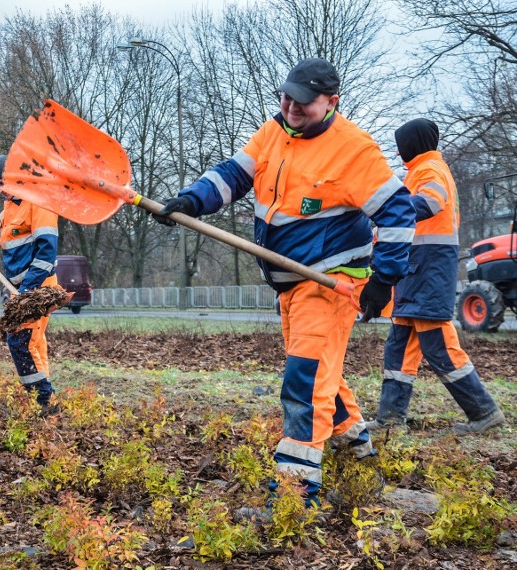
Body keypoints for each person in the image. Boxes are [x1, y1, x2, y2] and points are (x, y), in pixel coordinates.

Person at [152, 58, 416, 509]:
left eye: (304, 101)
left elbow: (398, 211)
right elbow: (234, 175)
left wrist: (384, 279)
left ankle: (295, 495)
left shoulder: (353, 150)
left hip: (330, 283)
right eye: (286, 96)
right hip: (292, 287)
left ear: (332, 102)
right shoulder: (274, 131)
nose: (291, 107)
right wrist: (192, 200)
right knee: (319, 372)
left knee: (304, 380)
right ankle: (359, 453)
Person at [366, 119, 505, 434]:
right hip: (415, 272)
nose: (400, 149)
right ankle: (390, 417)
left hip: (429, 271)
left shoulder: (431, 170)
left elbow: (429, 201)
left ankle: (484, 413)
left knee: (438, 345)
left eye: (402, 143)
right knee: (399, 346)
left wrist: (390, 210)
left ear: (412, 144)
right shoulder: (417, 171)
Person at [0, 154, 60, 411]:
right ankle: (44, 401)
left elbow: (46, 253)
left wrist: (27, 291)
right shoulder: (11, 205)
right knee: (33, 343)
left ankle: (42, 399)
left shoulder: (39, 203)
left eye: (1, 183)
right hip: (22, 289)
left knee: (20, 341)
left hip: (39, 288)